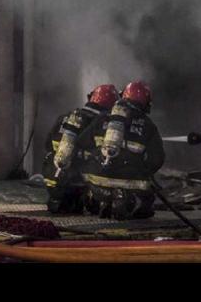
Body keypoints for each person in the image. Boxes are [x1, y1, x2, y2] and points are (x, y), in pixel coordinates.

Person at [81, 81, 165, 220]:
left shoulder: (102, 117)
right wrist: (143, 171)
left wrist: (96, 161)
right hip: (129, 181)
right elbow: (157, 159)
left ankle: (102, 200)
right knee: (148, 194)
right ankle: (126, 201)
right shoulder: (148, 125)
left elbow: (82, 143)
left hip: (96, 180)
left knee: (97, 182)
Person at [41, 84, 119, 214]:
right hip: (79, 181)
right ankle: (90, 200)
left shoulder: (66, 117)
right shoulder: (101, 122)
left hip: (54, 176)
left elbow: (47, 145)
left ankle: (59, 199)